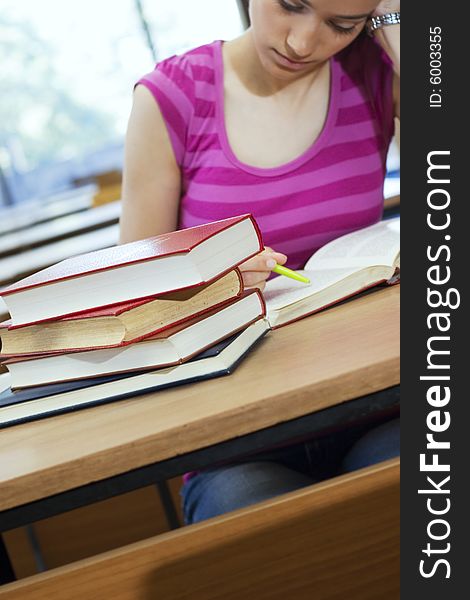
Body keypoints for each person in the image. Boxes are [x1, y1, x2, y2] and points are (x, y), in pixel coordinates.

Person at [120, 0, 400, 524]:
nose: (301, 42)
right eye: (291, 5)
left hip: (377, 404)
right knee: (259, 527)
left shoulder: (375, 73)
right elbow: (132, 306)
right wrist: (212, 283)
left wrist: (398, 23)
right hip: (236, 439)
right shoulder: (173, 96)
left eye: (342, 25)